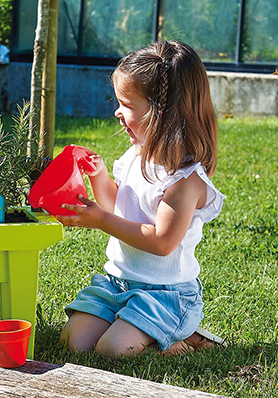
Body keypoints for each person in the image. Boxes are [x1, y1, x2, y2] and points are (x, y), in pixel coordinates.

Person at [56, 40, 225, 357]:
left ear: (162, 112)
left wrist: (101, 221)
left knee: (113, 350)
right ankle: (138, 327)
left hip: (165, 295)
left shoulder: (185, 179)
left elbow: (162, 242)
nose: (117, 112)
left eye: (127, 104)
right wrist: (99, 176)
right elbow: (118, 207)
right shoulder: (136, 155)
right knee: (74, 342)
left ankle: (182, 338)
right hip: (117, 283)